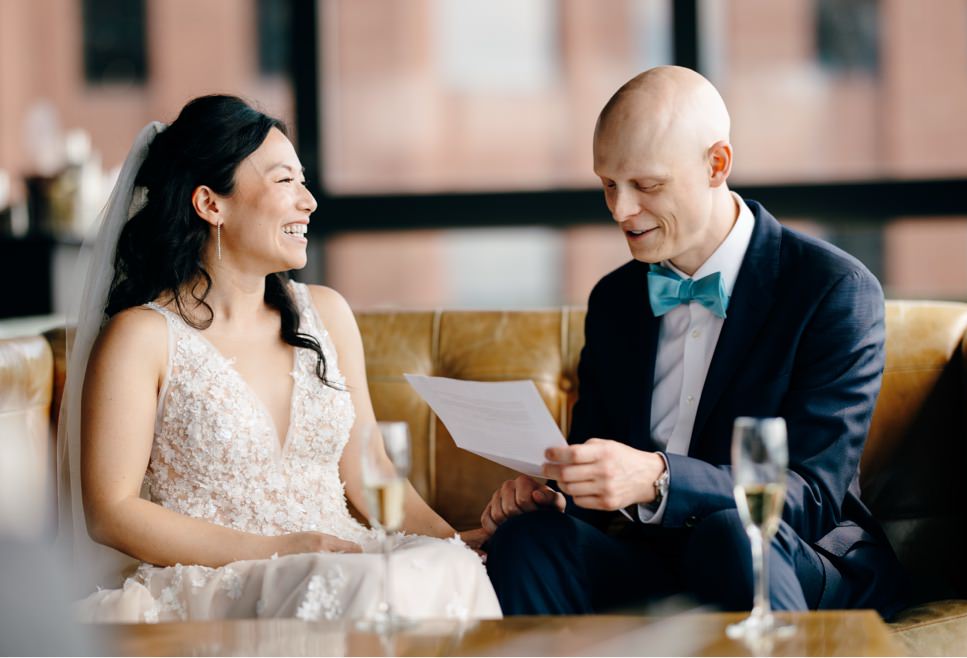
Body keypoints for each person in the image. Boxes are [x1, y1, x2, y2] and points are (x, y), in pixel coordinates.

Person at [470, 66, 906, 617]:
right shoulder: (615, 299)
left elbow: (811, 497)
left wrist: (659, 478)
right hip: (650, 559)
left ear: (716, 165)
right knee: (530, 540)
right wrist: (555, 496)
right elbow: (594, 467)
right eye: (608, 184)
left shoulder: (833, 288)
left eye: (647, 186)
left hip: (789, 552)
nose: (620, 210)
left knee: (732, 534)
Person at [67, 95, 498, 622]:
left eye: (304, 181)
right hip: (223, 578)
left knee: (453, 569)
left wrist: (451, 541)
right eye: (285, 181)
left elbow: (373, 472)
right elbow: (111, 512)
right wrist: (277, 551)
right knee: (360, 584)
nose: (309, 201)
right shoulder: (142, 337)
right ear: (211, 204)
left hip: (342, 559)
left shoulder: (327, 313)